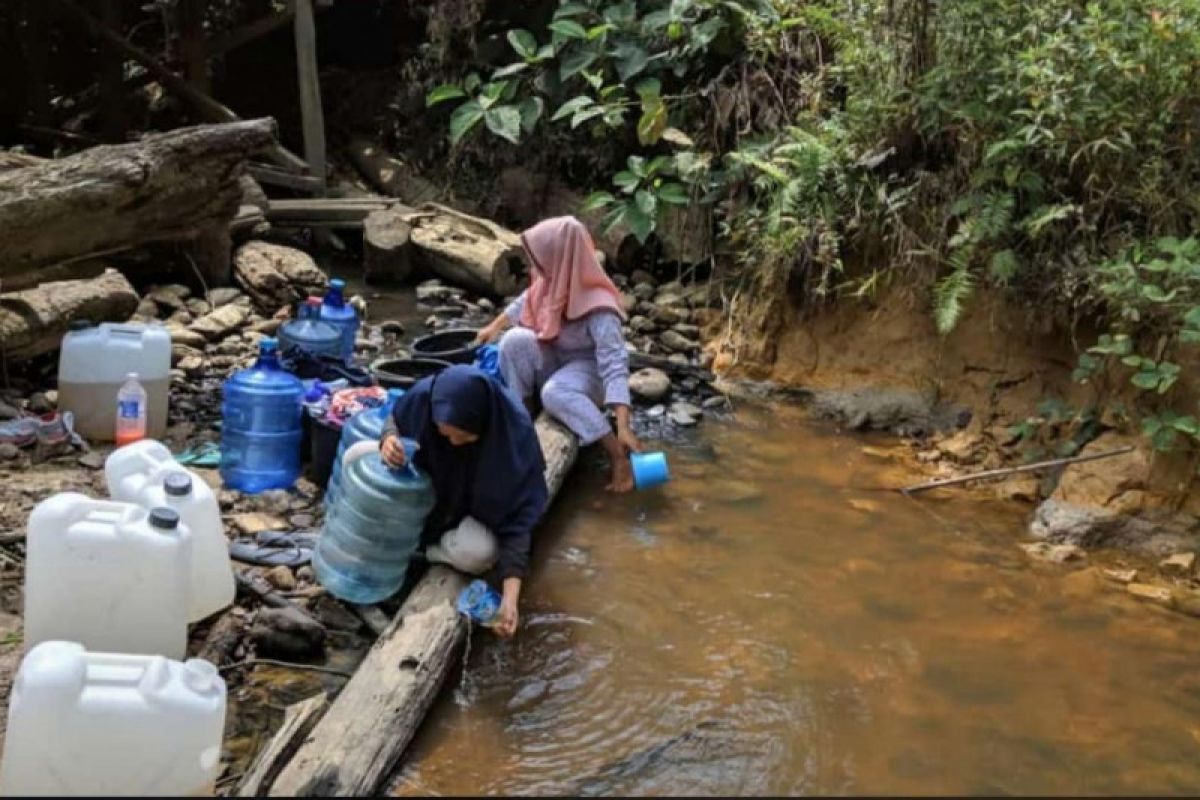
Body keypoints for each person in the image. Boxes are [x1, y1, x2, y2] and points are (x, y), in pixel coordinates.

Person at [476, 215, 642, 492]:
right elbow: (523, 302)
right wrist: (491, 328)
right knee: (513, 341)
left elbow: (614, 366)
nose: (536, 265)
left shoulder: (600, 308)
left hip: (589, 374)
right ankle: (523, 418)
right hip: (557, 360)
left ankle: (616, 455)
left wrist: (623, 425)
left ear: (561, 258)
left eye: (542, 257)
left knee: (554, 393)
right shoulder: (550, 283)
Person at [380, 364, 547, 637]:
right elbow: (395, 419)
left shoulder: (513, 437)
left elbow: (518, 524)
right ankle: (414, 545)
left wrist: (510, 601)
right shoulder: (428, 397)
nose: (454, 443)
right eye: (444, 434)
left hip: (470, 510)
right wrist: (388, 439)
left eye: (464, 436)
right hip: (428, 494)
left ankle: (425, 553)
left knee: (479, 553)